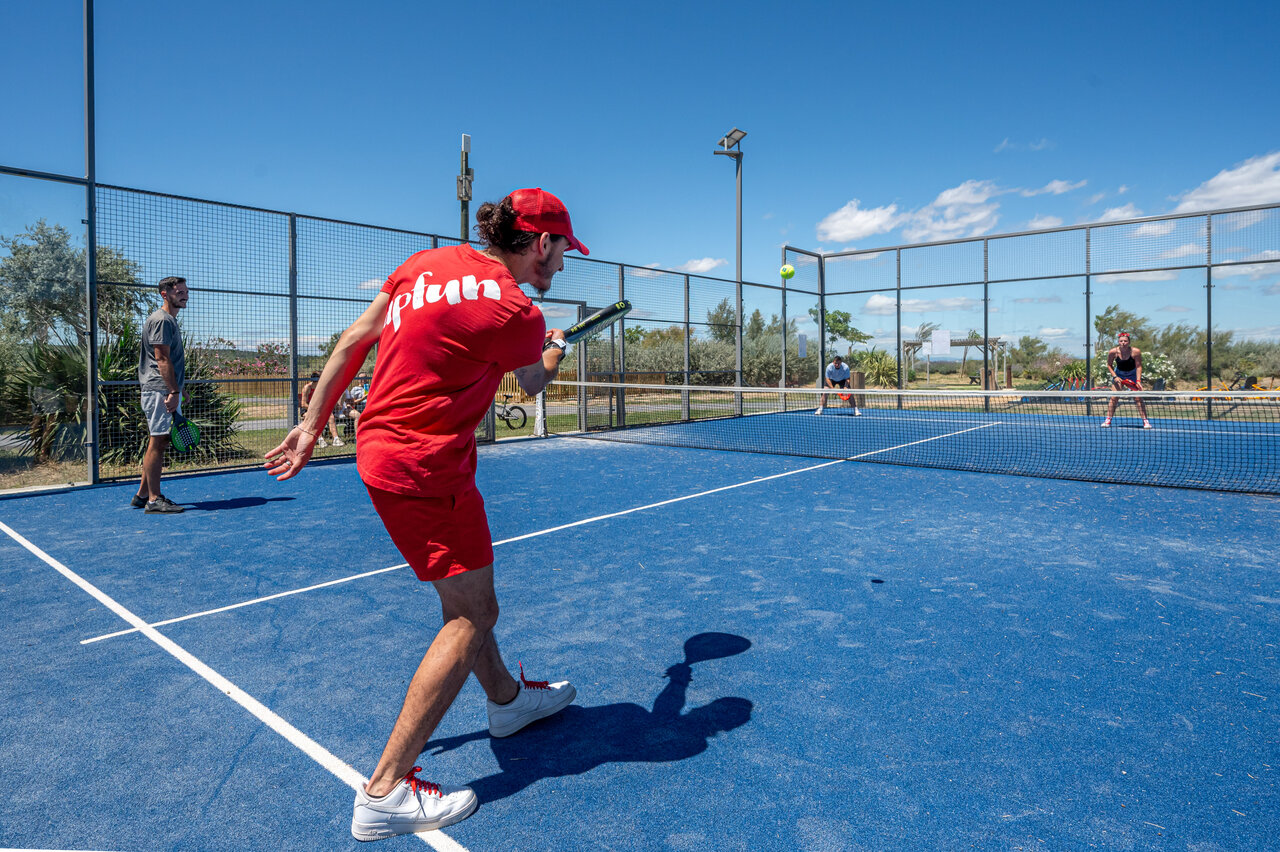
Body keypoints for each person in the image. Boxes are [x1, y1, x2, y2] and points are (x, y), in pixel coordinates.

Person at [264, 187, 586, 840]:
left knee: (466, 597)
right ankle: (385, 789)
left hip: (382, 451)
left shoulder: (425, 265)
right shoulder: (516, 311)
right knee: (474, 612)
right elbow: (531, 382)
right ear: (541, 243)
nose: (560, 267)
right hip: (427, 466)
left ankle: (505, 703)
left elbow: (357, 337)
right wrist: (554, 348)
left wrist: (310, 423)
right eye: (561, 252)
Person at [131, 276, 189, 514]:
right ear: (165, 294)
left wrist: (180, 387)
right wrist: (173, 390)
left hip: (165, 388)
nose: (185, 295)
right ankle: (154, 500)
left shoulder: (169, 320)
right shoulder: (162, 320)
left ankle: (142, 494)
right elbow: (161, 358)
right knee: (158, 440)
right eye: (179, 292)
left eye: (186, 291)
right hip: (159, 390)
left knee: (160, 440)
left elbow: (169, 360)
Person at [1102, 331, 1152, 429]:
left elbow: (1138, 366)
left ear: (1129, 342)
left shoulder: (1135, 351)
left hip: (1132, 375)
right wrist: (1115, 376)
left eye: (1125, 341)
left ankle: (1145, 421)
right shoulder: (1113, 352)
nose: (1123, 343)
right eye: (1121, 341)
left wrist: (1138, 381)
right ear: (1118, 342)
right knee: (1114, 397)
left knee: (1138, 398)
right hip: (1119, 374)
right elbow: (1109, 365)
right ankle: (1108, 420)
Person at [299, 371, 344, 447]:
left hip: (320, 408)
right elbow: (303, 404)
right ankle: (320, 440)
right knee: (315, 418)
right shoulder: (307, 388)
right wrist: (315, 409)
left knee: (331, 416)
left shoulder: (323, 387)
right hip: (308, 409)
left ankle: (336, 439)